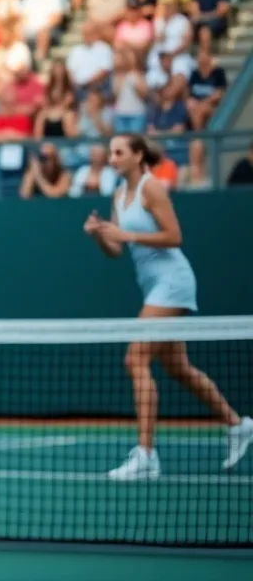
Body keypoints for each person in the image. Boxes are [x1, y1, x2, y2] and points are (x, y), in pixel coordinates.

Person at [84, 134, 253, 481]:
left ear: (138, 156)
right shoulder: (118, 195)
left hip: (173, 282)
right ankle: (238, 424)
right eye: (111, 152)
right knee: (179, 368)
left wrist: (129, 236)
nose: (112, 158)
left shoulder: (152, 188)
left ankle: (146, 454)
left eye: (119, 152)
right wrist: (100, 235)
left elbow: (174, 236)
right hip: (152, 285)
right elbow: (115, 252)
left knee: (136, 358)